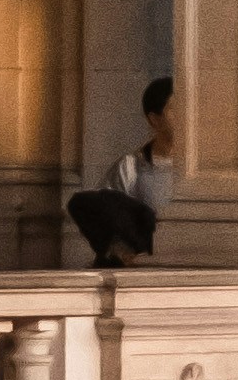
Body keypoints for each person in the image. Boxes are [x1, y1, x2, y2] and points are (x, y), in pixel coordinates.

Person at [68, 76, 174, 264]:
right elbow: (107, 217)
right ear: (155, 119)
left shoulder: (198, 175)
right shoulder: (131, 166)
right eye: (175, 110)